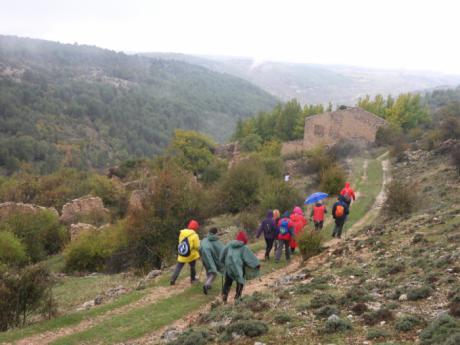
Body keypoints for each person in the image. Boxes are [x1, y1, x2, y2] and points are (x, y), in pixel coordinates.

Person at [220, 231, 260, 302]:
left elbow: (222, 254)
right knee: (240, 281)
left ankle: (224, 295)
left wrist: (222, 261)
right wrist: (256, 264)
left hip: (228, 266)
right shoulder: (243, 248)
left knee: (228, 281)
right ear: (244, 241)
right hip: (237, 267)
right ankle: (237, 298)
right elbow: (250, 258)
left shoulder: (229, 244)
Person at [170, 220, 201, 285]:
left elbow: (180, 242)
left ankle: (173, 279)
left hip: (182, 254)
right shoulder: (195, 235)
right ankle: (193, 280)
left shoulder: (182, 233)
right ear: (195, 227)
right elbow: (197, 246)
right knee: (192, 267)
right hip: (191, 255)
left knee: (178, 267)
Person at [200, 227, 224, 295]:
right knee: (214, 273)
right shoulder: (215, 241)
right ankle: (206, 284)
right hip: (209, 258)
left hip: (204, 257)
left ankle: (209, 285)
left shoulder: (204, 239)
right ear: (215, 233)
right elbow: (222, 250)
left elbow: (200, 247)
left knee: (209, 270)